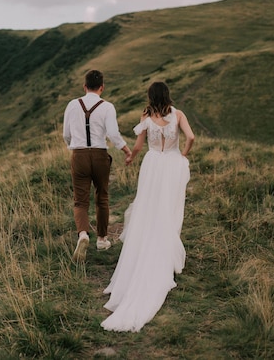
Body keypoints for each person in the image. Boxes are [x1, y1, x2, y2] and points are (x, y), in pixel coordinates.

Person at [101, 80, 195, 332]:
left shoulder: (146, 116)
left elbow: (139, 146)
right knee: (170, 209)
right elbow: (192, 137)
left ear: (150, 96)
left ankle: (147, 244)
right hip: (172, 164)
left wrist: (130, 156)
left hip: (153, 164)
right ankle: (166, 251)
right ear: (168, 95)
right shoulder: (179, 115)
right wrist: (183, 154)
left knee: (148, 206)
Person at [63, 70, 132, 263]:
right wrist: (126, 150)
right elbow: (113, 133)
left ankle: (83, 234)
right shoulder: (107, 107)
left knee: (80, 200)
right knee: (102, 196)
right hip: (100, 155)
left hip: (79, 155)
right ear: (102, 87)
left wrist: (74, 146)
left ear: (84, 87)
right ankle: (102, 239)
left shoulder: (72, 105)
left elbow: (66, 134)